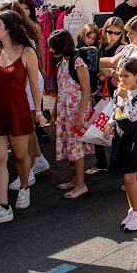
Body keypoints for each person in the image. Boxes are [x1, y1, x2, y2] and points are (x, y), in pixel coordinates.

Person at [0, 11, 45, 226]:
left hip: (18, 109)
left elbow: (34, 84)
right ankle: (3, 206)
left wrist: (38, 112)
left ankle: (24, 187)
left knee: (20, 155)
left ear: (8, 28)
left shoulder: (27, 52)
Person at [101, 15, 137, 187]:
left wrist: (114, 74)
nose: (128, 36)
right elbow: (114, 62)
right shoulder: (135, 47)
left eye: (131, 33)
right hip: (132, 97)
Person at [106, 57, 137, 231]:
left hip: (135, 138)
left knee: (130, 178)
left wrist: (125, 98)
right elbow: (117, 112)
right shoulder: (119, 92)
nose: (122, 80)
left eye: (126, 76)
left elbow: (134, 116)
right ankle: (132, 210)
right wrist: (110, 123)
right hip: (121, 135)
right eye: (120, 76)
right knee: (126, 178)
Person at [47, 29, 90, 199]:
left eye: (53, 46)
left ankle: (80, 184)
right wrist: (54, 114)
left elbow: (86, 91)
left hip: (75, 113)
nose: (50, 50)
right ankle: (75, 180)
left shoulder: (78, 63)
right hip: (65, 113)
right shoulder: (62, 64)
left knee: (76, 147)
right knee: (70, 147)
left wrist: (80, 116)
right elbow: (61, 92)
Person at [89, 16, 126, 175]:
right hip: (99, 93)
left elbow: (123, 73)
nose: (112, 35)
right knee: (97, 126)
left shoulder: (122, 49)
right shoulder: (99, 46)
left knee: (117, 129)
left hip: (115, 93)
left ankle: (118, 163)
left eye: (117, 33)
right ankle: (102, 162)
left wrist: (109, 72)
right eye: (109, 31)